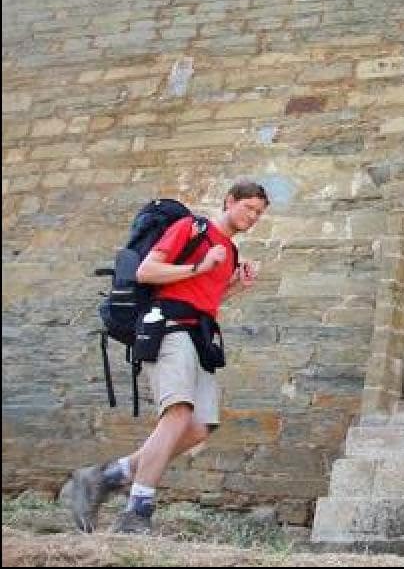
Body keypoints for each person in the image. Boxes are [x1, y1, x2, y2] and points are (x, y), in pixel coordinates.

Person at [62, 181, 270, 534]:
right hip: (168, 327)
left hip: (200, 335)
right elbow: (147, 271)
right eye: (249, 208)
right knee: (179, 411)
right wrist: (201, 267)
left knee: (200, 427)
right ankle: (136, 512)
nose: (253, 217)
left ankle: (104, 477)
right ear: (230, 201)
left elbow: (207, 300)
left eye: (260, 213)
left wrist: (237, 285)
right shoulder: (192, 228)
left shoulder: (229, 252)